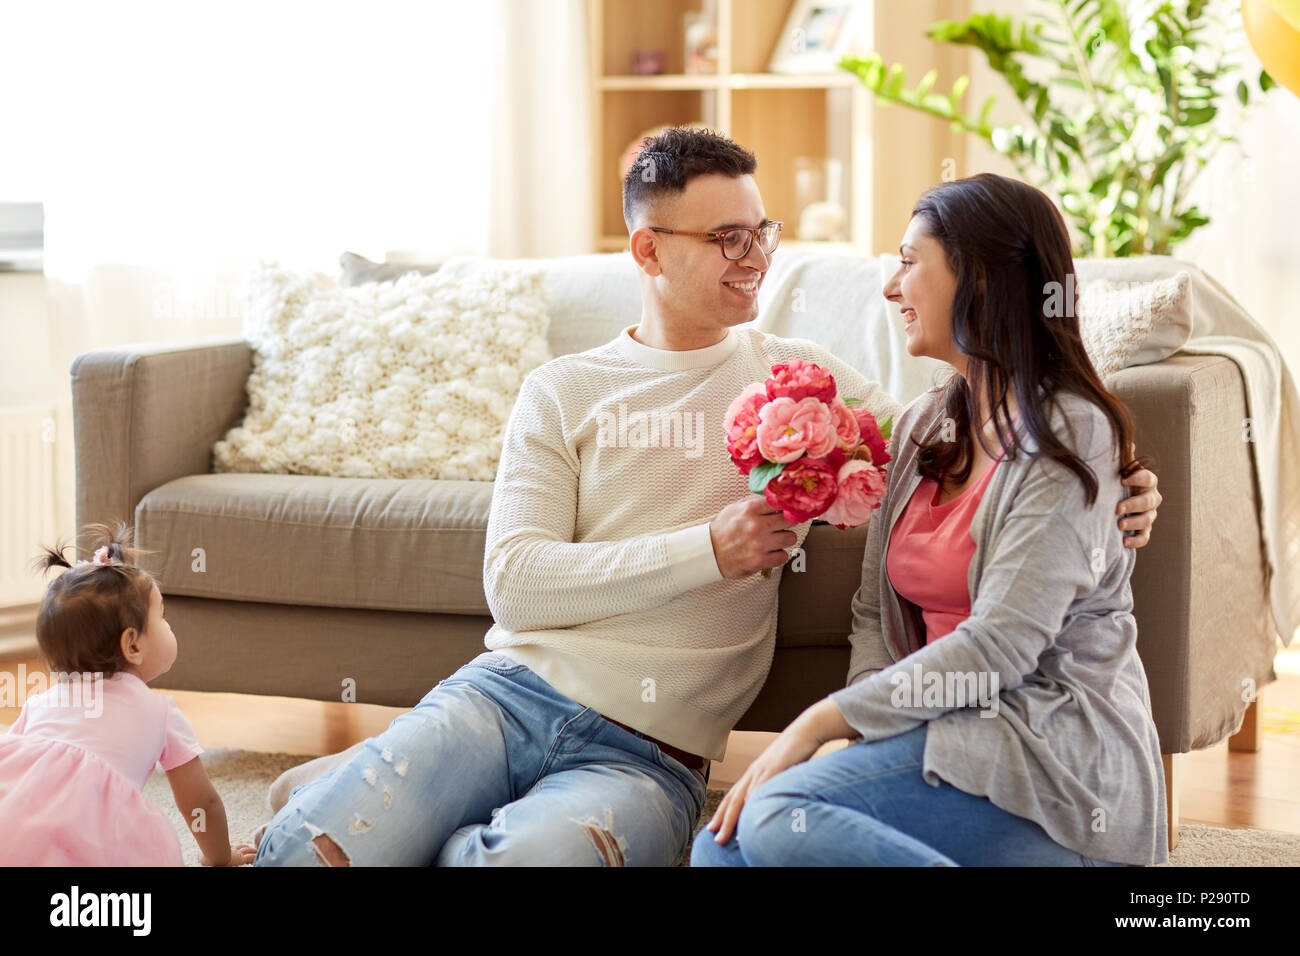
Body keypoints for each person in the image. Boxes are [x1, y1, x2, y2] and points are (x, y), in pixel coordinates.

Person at [254, 128, 1162, 867]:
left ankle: (424, 815)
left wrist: (1123, 484)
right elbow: (517, 587)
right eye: (727, 239)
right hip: (504, 697)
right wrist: (708, 550)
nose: (754, 258)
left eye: (760, 234)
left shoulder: (806, 384)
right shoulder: (562, 390)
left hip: (650, 754)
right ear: (648, 249)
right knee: (312, 853)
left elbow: (1001, 449)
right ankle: (390, 798)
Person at [691, 172, 1169, 867]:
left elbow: (1004, 644)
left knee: (776, 814)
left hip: (1047, 751)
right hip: (941, 733)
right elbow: (869, 615)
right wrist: (865, 738)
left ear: (979, 279)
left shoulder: (1070, 432)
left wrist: (819, 725)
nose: (890, 288)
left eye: (911, 262)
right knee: (720, 850)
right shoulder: (924, 427)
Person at [0, 521, 255, 866]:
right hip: (88, 839)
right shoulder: (160, 712)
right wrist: (220, 859)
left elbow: (13, 777)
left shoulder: (40, 702)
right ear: (132, 645)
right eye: (162, 617)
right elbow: (200, 802)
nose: (168, 626)